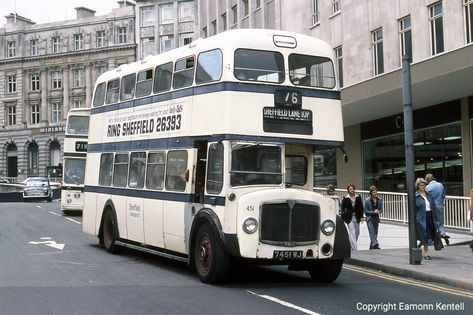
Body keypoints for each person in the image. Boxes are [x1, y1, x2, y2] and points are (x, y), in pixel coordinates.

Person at [415, 178, 438, 260]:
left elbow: (434, 207)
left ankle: (418, 246)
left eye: (424, 185)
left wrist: (437, 219)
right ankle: (426, 253)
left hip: (430, 216)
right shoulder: (416, 196)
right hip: (421, 218)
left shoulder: (429, 195)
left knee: (429, 234)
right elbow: (413, 210)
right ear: (417, 186)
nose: (423, 186)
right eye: (421, 185)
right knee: (425, 234)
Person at [425, 173, 448, 245]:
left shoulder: (428, 187)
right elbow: (443, 195)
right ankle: (443, 233)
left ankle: (435, 237)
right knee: (441, 222)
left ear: (427, 180)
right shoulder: (440, 185)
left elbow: (426, 197)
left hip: (432, 207)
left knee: (433, 223)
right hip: (440, 206)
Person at [341, 184, 364, 250]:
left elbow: (361, 207)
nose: (352, 190)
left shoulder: (358, 197)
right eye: (350, 189)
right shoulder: (345, 198)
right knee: (352, 232)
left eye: (353, 189)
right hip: (349, 218)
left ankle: (352, 245)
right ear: (348, 190)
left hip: (357, 217)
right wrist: (343, 219)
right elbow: (343, 209)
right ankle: (355, 249)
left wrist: (362, 216)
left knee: (357, 232)